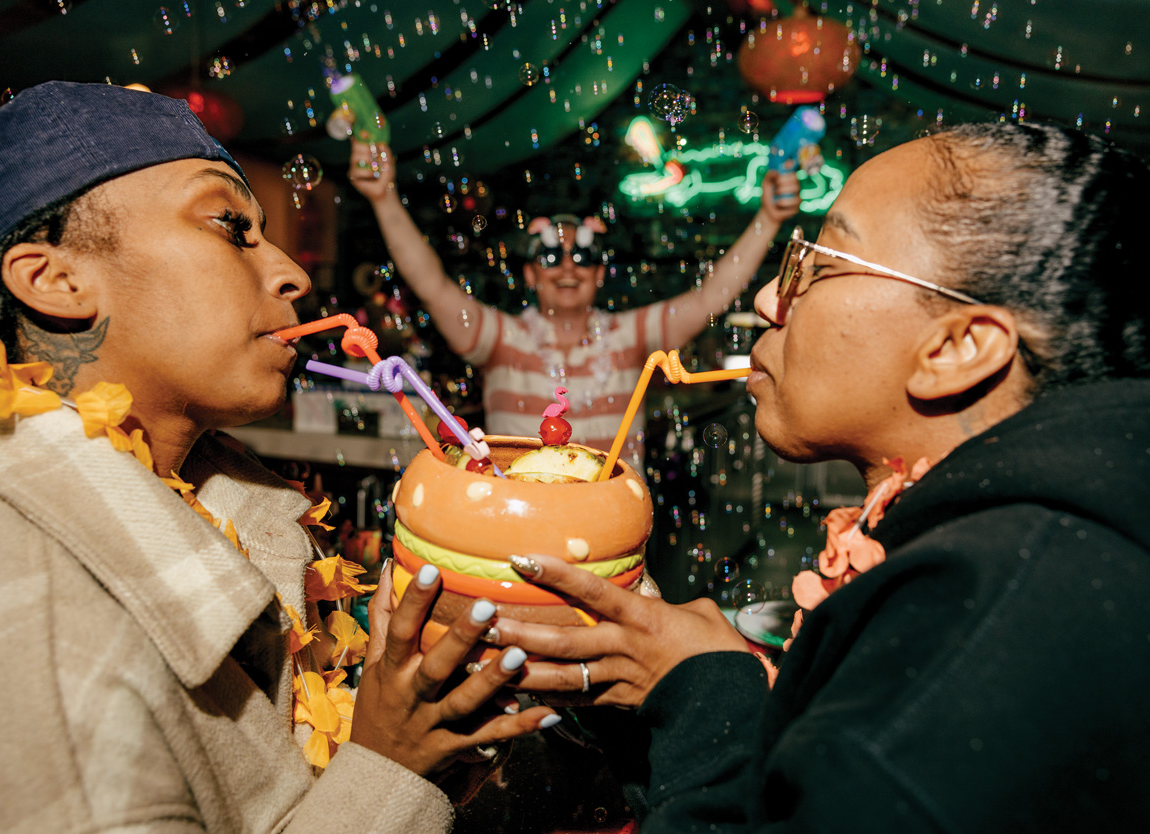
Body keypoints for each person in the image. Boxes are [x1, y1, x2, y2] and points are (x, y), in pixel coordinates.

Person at [488, 122, 1150, 831]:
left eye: (821, 261)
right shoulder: (1020, 554)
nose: (771, 300)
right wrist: (651, 698)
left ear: (958, 347)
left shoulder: (982, 629)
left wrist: (708, 693)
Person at [0, 81, 559, 833]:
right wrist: (392, 768)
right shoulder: (33, 636)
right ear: (57, 280)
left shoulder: (214, 502)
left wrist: (431, 735)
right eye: (231, 226)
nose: (293, 274)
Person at [348, 139, 799, 470]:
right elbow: (431, 285)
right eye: (550, 255)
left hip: (612, 531)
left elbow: (711, 296)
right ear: (530, 274)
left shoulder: (630, 336)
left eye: (582, 256)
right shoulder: (501, 338)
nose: (567, 266)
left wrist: (769, 218)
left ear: (600, 274)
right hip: (514, 523)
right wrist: (382, 197)